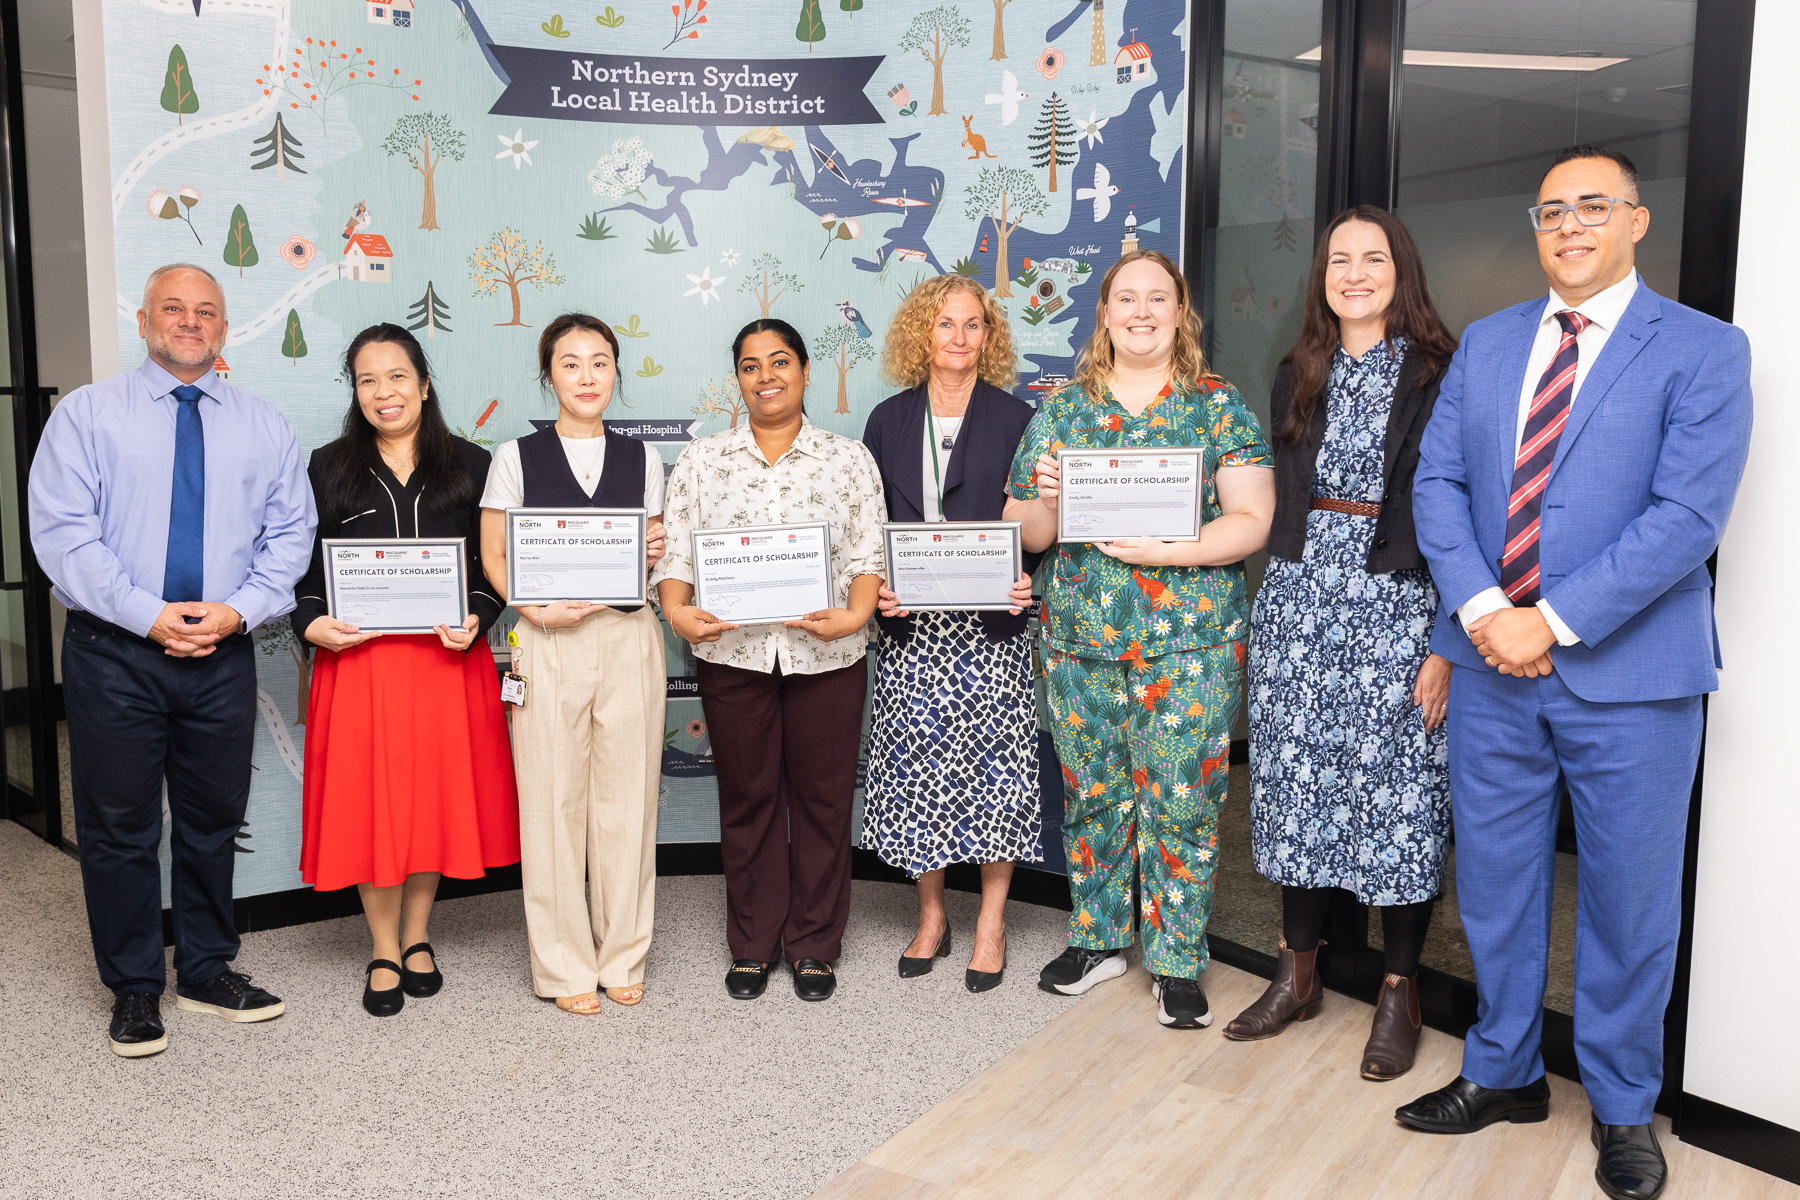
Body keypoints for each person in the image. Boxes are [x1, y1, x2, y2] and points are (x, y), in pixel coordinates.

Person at [1406, 145, 1752, 1200]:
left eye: (1592, 207)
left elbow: (1686, 521)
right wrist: (1482, 614)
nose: (1568, 225)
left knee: (1627, 904)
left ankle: (1619, 1107)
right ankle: (1504, 1069)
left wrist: (1549, 619)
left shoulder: (1703, 349)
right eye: (1552, 209)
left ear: (1637, 223)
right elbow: (1440, 480)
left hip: (1633, 679)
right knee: (1499, 886)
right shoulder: (1490, 342)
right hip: (1490, 666)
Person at [28, 263, 315, 1056]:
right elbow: (62, 537)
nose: (190, 322)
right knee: (119, 828)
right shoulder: (87, 416)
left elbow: (291, 538)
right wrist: (149, 616)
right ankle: (132, 987)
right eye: (174, 309)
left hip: (221, 651)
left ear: (224, 330)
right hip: (114, 651)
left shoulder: (265, 426)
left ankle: (207, 968)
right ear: (146, 320)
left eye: (207, 312)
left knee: (210, 819)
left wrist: (238, 611)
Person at [1005, 249, 1275, 1029]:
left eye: (1159, 298)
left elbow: (1251, 521)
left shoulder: (1218, 407)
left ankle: (1178, 960)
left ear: (1180, 310)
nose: (1143, 311)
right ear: (1105, 314)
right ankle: (1096, 940)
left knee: (1184, 802)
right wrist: (1047, 498)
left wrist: (1168, 551)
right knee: (1093, 795)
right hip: (1081, 640)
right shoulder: (1061, 412)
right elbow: (1024, 529)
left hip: (1189, 644)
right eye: (1128, 298)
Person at [1227, 207, 1458, 1080]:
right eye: (1337, 260)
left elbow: (1462, 512)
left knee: (1400, 802)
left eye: (1372, 258)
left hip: (1398, 610)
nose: (1353, 273)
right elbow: (1277, 497)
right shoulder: (1298, 369)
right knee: (1293, 791)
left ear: (1402, 268)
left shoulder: (1442, 371)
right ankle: (1299, 974)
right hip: (1299, 608)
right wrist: (1266, 622)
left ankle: (1399, 992)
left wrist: (1446, 644)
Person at [652, 318, 885, 1003]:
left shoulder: (847, 459)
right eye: (751, 366)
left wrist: (857, 613)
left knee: (821, 801)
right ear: (739, 381)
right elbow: (680, 552)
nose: (766, 376)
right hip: (734, 654)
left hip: (829, 654)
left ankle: (814, 945)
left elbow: (869, 551)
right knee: (749, 801)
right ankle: (752, 944)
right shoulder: (704, 460)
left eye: (779, 361)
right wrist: (675, 607)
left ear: (806, 372)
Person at [292, 323, 519, 1017]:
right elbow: (303, 578)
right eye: (367, 379)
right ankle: (382, 946)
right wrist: (312, 623)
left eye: (397, 376)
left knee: (431, 804)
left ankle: (418, 937)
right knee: (373, 806)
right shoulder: (327, 468)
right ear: (355, 392)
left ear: (424, 384)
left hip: (446, 665)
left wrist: (478, 614)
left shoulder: (475, 466)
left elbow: (494, 570)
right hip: (359, 668)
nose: (384, 392)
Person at [479, 313, 668, 1015]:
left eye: (599, 363)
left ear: (615, 372)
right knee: (552, 802)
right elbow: (494, 556)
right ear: (548, 374)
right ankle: (562, 967)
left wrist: (652, 554)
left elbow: (653, 551)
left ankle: (623, 956)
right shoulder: (515, 457)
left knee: (628, 803)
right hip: (547, 640)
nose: (586, 377)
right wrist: (531, 608)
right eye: (570, 364)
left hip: (627, 637)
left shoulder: (643, 459)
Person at [860, 276, 1041, 993]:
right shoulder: (886, 419)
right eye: (944, 324)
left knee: (996, 774)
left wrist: (1031, 575)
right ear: (921, 336)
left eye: (972, 325)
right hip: (915, 628)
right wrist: (879, 589)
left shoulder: (1020, 418)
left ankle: (991, 922)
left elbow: (1038, 526)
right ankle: (932, 916)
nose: (958, 337)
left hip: (990, 628)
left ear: (989, 339)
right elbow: (870, 527)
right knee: (919, 775)